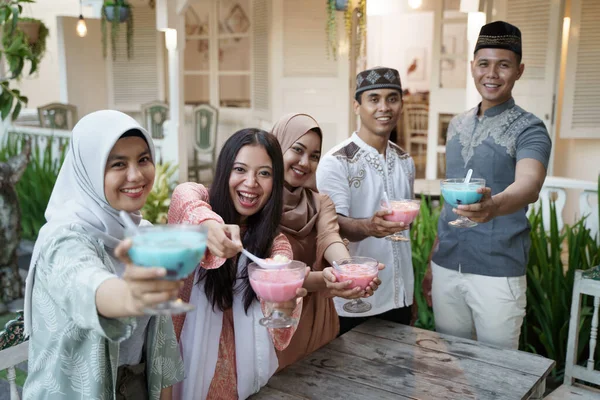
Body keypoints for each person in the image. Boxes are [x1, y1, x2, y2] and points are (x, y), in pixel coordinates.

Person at [23, 110, 184, 399]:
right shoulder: (61, 239)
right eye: (118, 164)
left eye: (143, 159)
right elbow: (82, 281)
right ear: (90, 171)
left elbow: (161, 342)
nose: (136, 175)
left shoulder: (141, 233)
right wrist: (128, 296)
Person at [422, 21, 552, 350]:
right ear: (472, 67)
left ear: (519, 70)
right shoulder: (456, 125)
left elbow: (529, 184)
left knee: (499, 373)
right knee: (452, 367)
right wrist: (432, 263)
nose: (491, 73)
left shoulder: (530, 128)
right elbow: (449, 203)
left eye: (503, 64)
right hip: (447, 266)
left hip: (497, 271)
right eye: (484, 63)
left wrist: (493, 207)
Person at [168, 128, 307, 400]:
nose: (251, 183)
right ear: (224, 172)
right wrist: (208, 227)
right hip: (179, 370)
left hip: (244, 382)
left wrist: (284, 305)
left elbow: (280, 275)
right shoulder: (199, 204)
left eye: (264, 173)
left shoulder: (274, 242)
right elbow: (183, 197)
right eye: (240, 169)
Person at [270, 113, 382, 369]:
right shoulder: (258, 204)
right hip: (276, 316)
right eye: (297, 150)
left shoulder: (320, 202)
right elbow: (270, 271)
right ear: (276, 148)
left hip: (317, 318)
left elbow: (329, 236)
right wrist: (329, 278)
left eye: (314, 156)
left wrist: (349, 270)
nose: (304, 162)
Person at [316, 67, 416, 335]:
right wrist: (371, 227)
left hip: (400, 296)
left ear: (401, 104)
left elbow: (406, 231)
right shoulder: (337, 161)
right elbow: (332, 226)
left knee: (400, 375)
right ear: (356, 106)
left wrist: (409, 292)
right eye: (374, 99)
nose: (384, 107)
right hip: (356, 299)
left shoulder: (405, 160)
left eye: (392, 98)